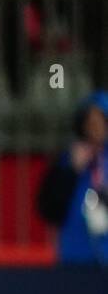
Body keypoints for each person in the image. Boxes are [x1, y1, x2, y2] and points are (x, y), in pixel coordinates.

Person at [37, 90, 108, 267]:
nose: (95, 129)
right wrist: (71, 171)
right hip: (75, 259)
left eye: (101, 122)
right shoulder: (67, 160)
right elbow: (48, 208)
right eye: (90, 123)